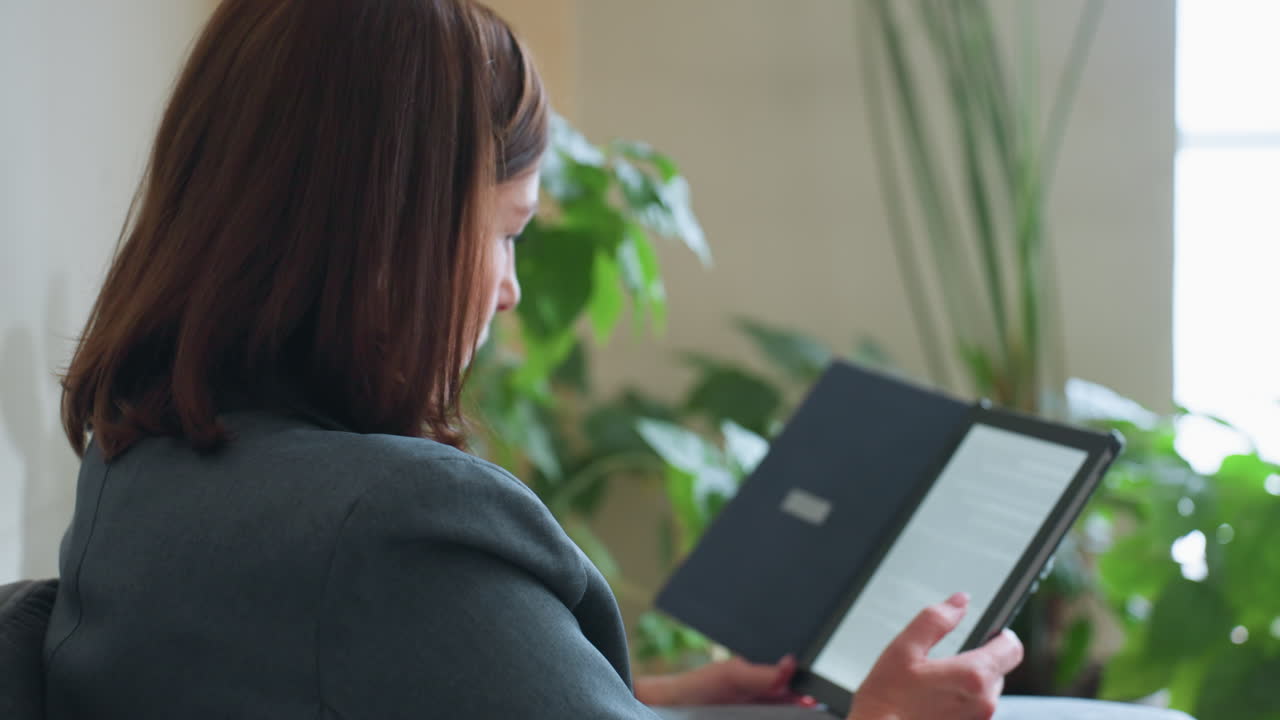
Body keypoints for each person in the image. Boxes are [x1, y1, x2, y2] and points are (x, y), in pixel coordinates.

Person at [47, 1, 1022, 718]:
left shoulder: (141, 460)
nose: (508, 290)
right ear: (389, 236)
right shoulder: (398, 530)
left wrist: (638, 700)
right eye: (507, 231)